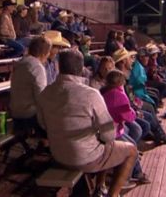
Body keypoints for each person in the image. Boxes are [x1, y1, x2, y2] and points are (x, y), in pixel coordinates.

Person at [37, 50, 138, 197]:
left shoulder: (46, 93)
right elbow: (109, 135)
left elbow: (43, 124)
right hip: (85, 158)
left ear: (59, 66)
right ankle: (113, 194)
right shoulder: (90, 94)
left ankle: (98, 187)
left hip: (58, 155)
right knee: (131, 150)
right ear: (81, 68)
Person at [9, 36, 51, 136]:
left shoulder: (21, 63)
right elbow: (41, 97)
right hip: (30, 116)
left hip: (16, 114)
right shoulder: (37, 67)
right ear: (44, 53)